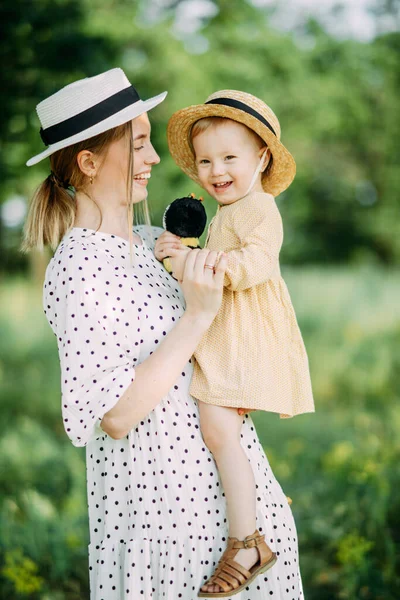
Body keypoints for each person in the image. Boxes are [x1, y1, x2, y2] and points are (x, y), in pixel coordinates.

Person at [23, 69, 305, 600]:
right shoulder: (81, 267)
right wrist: (196, 317)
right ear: (88, 162)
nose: (155, 158)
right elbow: (117, 414)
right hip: (168, 520)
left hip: (239, 514)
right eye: (139, 144)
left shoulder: (155, 242)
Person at [155, 90, 314, 596]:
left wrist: (203, 266)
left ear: (261, 158)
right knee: (217, 430)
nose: (215, 170)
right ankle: (246, 533)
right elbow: (210, 263)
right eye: (205, 160)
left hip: (248, 338)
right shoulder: (226, 212)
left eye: (229, 158)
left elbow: (256, 263)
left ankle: (246, 541)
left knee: (218, 429)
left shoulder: (261, 207)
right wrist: (181, 253)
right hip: (227, 335)